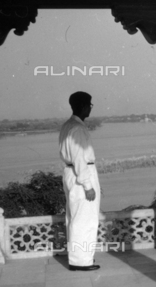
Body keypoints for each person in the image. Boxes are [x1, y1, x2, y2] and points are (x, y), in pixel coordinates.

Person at [59, 91, 101, 271]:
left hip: (71, 173)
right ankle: (81, 261)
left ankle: (78, 258)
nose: (90, 108)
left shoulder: (68, 125)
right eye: (89, 105)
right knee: (85, 219)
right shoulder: (77, 129)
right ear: (83, 106)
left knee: (75, 217)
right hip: (80, 175)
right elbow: (79, 159)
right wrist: (88, 185)